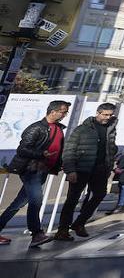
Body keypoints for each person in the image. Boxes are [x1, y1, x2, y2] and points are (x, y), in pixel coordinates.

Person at [0, 100, 70, 247]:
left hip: (43, 170)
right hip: (31, 170)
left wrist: (59, 163)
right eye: (63, 111)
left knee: (18, 203)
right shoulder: (37, 128)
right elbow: (22, 150)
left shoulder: (58, 128)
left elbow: (57, 150)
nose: (65, 114)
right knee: (36, 201)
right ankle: (36, 234)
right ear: (53, 112)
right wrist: (41, 154)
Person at [55, 103, 118, 241]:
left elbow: (110, 148)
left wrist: (110, 162)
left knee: (100, 194)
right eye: (105, 114)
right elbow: (69, 150)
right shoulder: (82, 129)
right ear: (98, 113)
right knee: (72, 199)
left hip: (100, 169)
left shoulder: (111, 129)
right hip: (81, 169)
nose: (107, 117)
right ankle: (62, 229)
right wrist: (70, 170)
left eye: (110, 115)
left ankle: (79, 223)